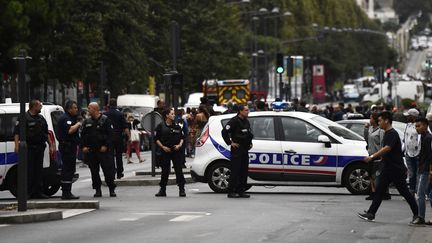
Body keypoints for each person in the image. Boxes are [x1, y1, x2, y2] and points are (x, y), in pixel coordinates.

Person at [358, 111, 419, 224]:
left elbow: (387, 148)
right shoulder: (387, 132)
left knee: (405, 192)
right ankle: (371, 213)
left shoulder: (391, 133)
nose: (379, 122)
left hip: (396, 169)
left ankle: (417, 215)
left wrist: (372, 157)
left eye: (380, 120)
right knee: (379, 191)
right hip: (388, 168)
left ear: (386, 121)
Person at [14, 99, 55, 199]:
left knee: (38, 171)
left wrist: (51, 145)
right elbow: (16, 133)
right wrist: (16, 145)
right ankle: (28, 192)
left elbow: (46, 133)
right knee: (29, 171)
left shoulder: (41, 118)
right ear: (34, 106)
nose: (41, 107)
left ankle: (38, 192)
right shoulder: (24, 117)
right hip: (29, 149)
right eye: (40, 105)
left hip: (40, 148)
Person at [81, 102, 117, 197]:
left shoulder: (105, 120)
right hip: (92, 151)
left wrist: (106, 146)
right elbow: (83, 136)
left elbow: (111, 135)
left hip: (103, 151)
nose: (88, 110)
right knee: (94, 172)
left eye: (89, 108)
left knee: (108, 171)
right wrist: (83, 147)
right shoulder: (87, 122)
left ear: (95, 109)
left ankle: (111, 188)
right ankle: (97, 189)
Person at [221, 104, 253, 198]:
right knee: (235, 170)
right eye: (246, 110)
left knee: (244, 171)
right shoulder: (234, 121)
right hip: (237, 149)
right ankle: (231, 191)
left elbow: (248, 134)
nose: (248, 112)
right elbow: (224, 132)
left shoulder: (246, 121)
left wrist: (250, 143)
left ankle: (241, 191)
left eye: (248, 110)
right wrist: (230, 143)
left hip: (245, 149)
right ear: (240, 111)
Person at [154, 108, 186, 197]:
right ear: (167, 115)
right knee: (165, 171)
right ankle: (162, 190)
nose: (174, 115)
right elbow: (156, 139)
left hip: (176, 151)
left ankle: (181, 189)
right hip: (165, 151)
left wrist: (179, 145)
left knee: (179, 170)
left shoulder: (177, 126)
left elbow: (182, 138)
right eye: (172, 114)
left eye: (173, 114)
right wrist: (163, 147)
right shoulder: (160, 126)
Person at [56, 100, 81, 200]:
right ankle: (66, 193)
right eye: (74, 108)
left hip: (70, 147)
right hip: (67, 147)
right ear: (69, 109)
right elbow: (70, 130)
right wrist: (78, 124)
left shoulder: (70, 117)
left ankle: (67, 191)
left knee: (70, 169)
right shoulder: (66, 118)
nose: (76, 109)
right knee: (68, 170)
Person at [363, 112, 390, 201]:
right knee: (371, 174)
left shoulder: (380, 130)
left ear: (375, 120)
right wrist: (365, 129)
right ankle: (373, 192)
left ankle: (383, 193)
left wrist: (381, 155)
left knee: (377, 175)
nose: (369, 120)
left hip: (378, 155)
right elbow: (367, 139)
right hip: (371, 154)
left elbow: (383, 143)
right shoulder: (371, 128)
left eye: (371, 118)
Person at [413, 118, 432, 225]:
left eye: (419, 126)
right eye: (416, 126)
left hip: (425, 170)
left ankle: (421, 217)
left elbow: (430, 156)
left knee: (421, 194)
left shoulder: (428, 138)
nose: (417, 128)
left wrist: (430, 171)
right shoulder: (424, 137)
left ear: (425, 125)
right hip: (421, 168)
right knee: (421, 193)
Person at [104, 98, 129, 179]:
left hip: (108, 138)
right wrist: (128, 137)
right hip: (118, 137)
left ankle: (111, 172)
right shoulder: (120, 114)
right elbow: (125, 127)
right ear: (116, 104)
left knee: (110, 156)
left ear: (109, 104)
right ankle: (119, 172)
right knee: (119, 156)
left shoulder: (105, 114)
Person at [403, 108, 420, 195]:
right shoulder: (408, 125)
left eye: (408, 116)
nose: (406, 118)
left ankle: (418, 192)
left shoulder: (419, 125)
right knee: (411, 173)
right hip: (408, 153)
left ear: (413, 117)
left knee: (418, 174)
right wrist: (403, 150)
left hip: (417, 154)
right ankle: (412, 191)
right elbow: (405, 139)